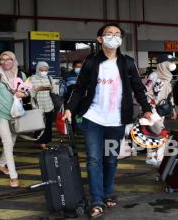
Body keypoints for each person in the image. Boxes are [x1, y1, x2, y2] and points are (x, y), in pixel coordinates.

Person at [63, 23, 153, 218]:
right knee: (94, 160)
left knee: (110, 159)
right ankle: (97, 200)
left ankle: (107, 192)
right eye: (109, 34)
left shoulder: (127, 62)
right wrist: (69, 109)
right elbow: (79, 88)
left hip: (117, 120)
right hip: (93, 118)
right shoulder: (91, 62)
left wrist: (147, 109)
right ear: (100, 39)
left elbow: (138, 87)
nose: (114, 36)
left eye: (117, 34)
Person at [0, 51, 28, 188]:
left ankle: (1, 165)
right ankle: (14, 176)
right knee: (7, 142)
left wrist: (23, 94)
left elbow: (27, 91)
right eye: (2, 60)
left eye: (8, 59)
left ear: (14, 60)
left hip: (16, 114)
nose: (5, 62)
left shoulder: (21, 75)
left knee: (12, 141)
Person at [144, 54, 178, 166]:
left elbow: (169, 95)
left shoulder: (168, 76)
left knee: (154, 133)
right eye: (170, 62)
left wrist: (173, 109)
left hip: (162, 110)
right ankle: (158, 158)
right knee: (160, 132)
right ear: (163, 64)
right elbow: (146, 92)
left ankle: (152, 157)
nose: (173, 65)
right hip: (153, 110)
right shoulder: (154, 76)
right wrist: (149, 108)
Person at [29, 61, 55, 150]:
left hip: (48, 105)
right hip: (37, 106)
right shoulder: (32, 79)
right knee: (39, 125)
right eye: (42, 70)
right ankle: (40, 142)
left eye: (46, 70)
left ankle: (46, 141)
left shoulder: (50, 78)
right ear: (38, 69)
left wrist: (52, 88)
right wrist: (37, 89)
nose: (44, 71)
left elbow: (54, 92)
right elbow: (29, 93)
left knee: (48, 125)